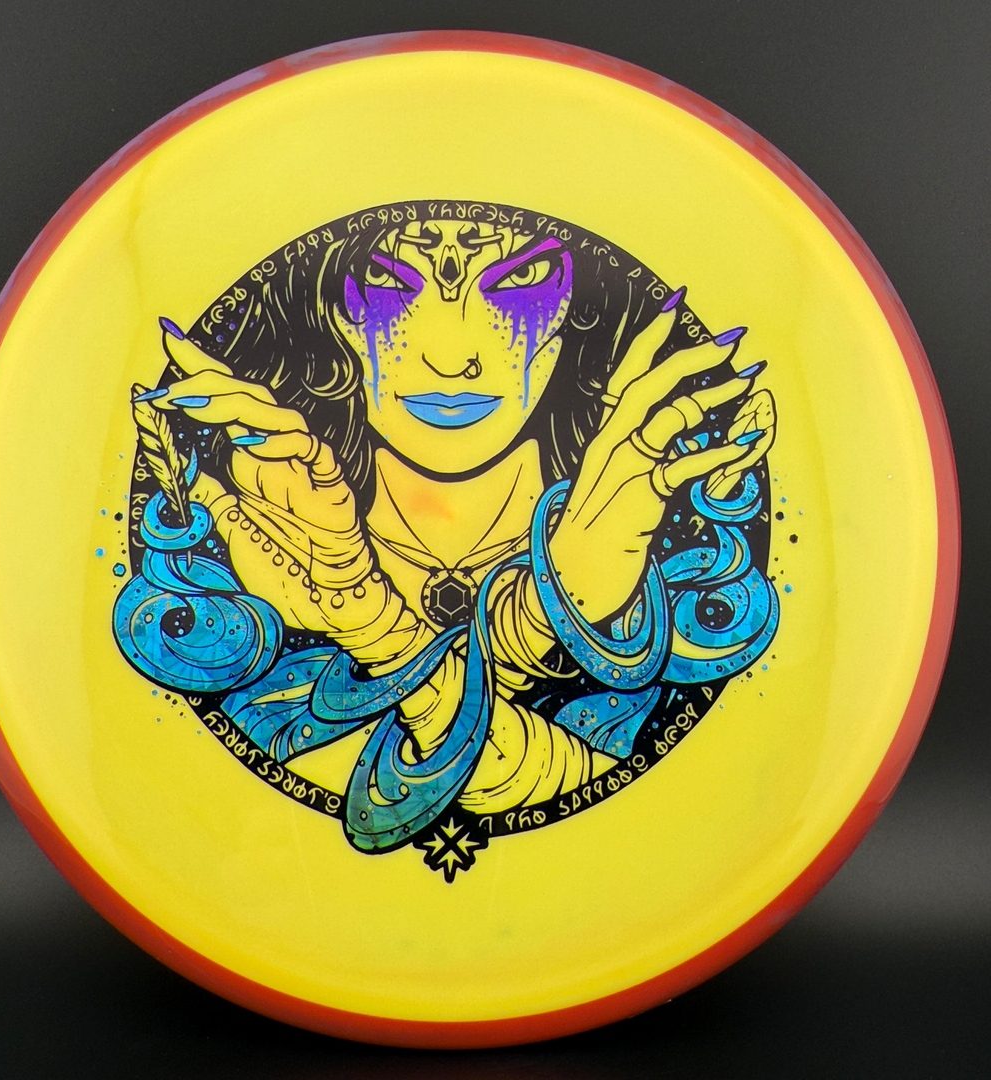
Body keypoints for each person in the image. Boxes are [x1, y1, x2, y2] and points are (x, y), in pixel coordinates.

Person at [116, 202, 778, 855]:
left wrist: (362, 613)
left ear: (574, 312)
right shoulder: (261, 573)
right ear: (338, 317)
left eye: (519, 280)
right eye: (390, 281)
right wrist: (538, 611)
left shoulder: (650, 591)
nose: (452, 356)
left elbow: (637, 830)